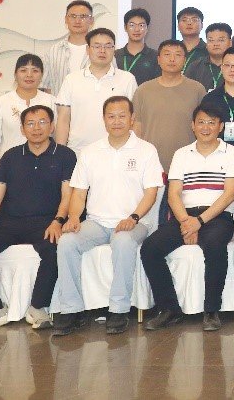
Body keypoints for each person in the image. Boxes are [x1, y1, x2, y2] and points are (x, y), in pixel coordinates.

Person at [53, 96, 163, 336]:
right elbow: (79, 192)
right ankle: (71, 309)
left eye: (122, 116)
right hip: (97, 223)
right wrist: (74, 217)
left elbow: (151, 193)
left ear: (132, 119)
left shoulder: (146, 150)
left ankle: (118, 309)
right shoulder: (90, 152)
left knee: (123, 241)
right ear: (104, 120)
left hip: (135, 222)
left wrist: (133, 217)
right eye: (111, 116)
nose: (117, 121)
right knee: (67, 242)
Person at [0, 105, 76, 331]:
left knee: (55, 250)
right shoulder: (11, 156)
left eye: (42, 122)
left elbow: (68, 195)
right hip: (10, 222)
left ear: (52, 127)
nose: (37, 128)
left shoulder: (65, 155)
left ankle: (38, 308)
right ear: (23, 129)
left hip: (46, 222)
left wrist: (58, 221)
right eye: (30, 124)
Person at [140, 103, 234, 332]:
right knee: (150, 248)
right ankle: (169, 309)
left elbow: (228, 195)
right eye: (201, 122)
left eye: (212, 123)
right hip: (184, 215)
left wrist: (199, 222)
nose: (206, 127)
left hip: (217, 216)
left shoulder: (233, 153)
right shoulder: (181, 154)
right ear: (192, 126)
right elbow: (174, 194)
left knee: (214, 245)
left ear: (221, 127)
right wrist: (186, 222)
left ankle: (211, 310)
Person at [55, 28, 138, 151]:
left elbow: (134, 119)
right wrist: (60, 154)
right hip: (78, 151)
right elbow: (63, 120)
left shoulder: (127, 79)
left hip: (117, 150)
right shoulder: (71, 79)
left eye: (108, 46)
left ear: (114, 50)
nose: (102, 51)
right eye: (97, 46)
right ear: (88, 49)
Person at [133, 40, 208, 171]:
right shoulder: (143, 90)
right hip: (151, 163)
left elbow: (205, 127)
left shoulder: (197, 90)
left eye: (178, 55)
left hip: (189, 163)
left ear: (185, 60)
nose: (172, 59)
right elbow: (137, 127)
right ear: (158, 59)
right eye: (167, 54)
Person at [0, 54, 55, 178]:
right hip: (10, 170)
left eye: (35, 70)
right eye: (23, 70)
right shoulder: (1, 103)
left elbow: (57, 137)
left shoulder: (52, 101)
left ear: (41, 75)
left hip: (46, 170)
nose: (29, 75)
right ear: (15, 75)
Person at [42, 0, 93, 94]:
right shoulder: (53, 51)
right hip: (59, 103)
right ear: (66, 19)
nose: (77, 21)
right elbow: (45, 86)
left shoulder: (101, 51)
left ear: (91, 20)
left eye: (83, 16)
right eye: (73, 16)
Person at [186, 22, 233, 93]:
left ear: (230, 43)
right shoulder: (195, 66)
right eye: (211, 40)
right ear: (206, 44)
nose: (216, 44)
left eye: (221, 40)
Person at [117, 8, 160, 85]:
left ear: (147, 28)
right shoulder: (115, 55)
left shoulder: (156, 57)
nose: (137, 29)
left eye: (141, 25)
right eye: (132, 25)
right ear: (125, 27)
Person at [176, 6, 209, 74]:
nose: (189, 23)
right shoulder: (173, 50)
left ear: (202, 25)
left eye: (194, 20)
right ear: (178, 26)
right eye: (184, 20)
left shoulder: (209, 51)